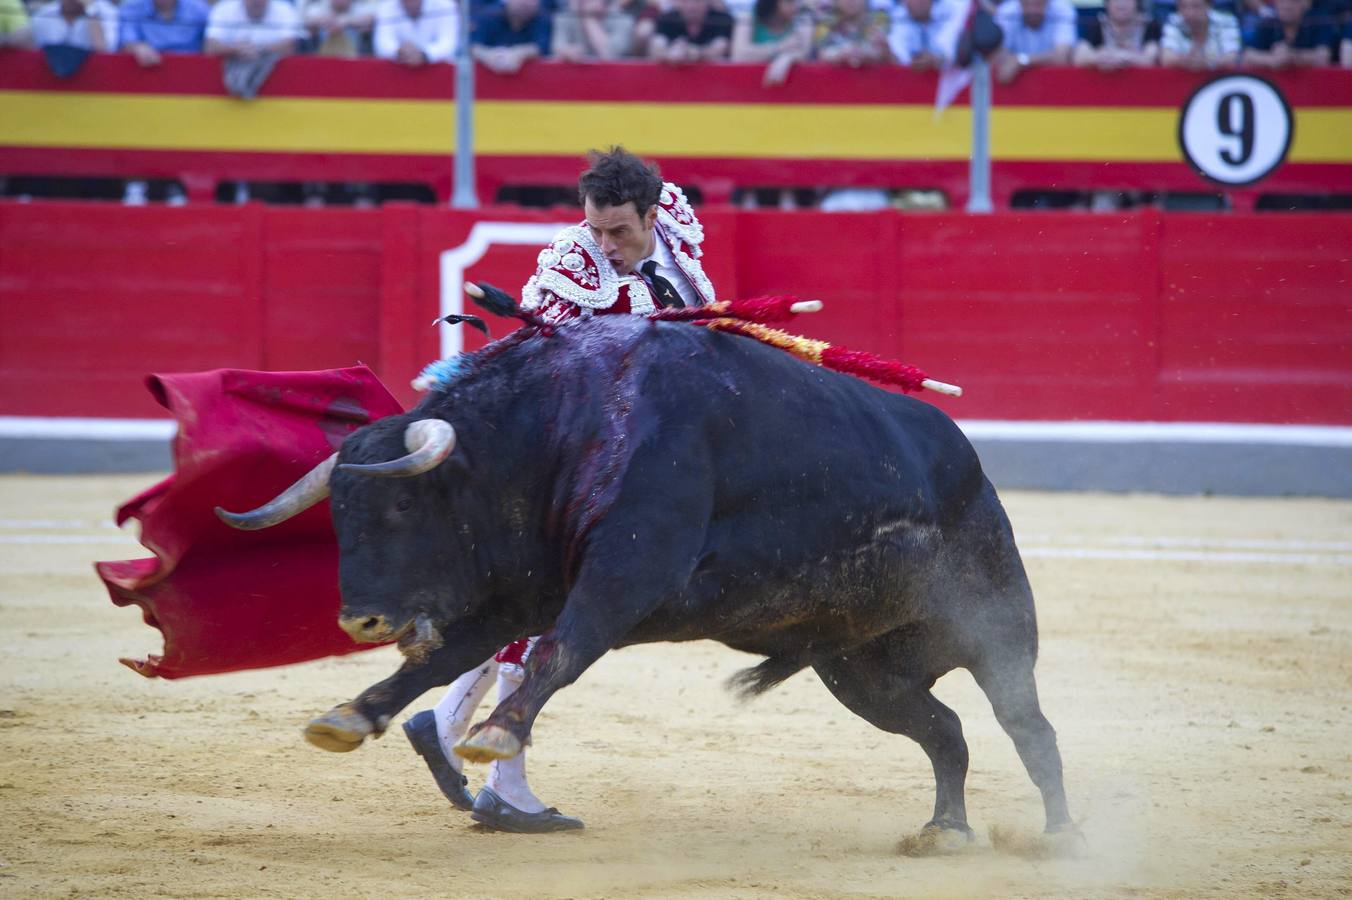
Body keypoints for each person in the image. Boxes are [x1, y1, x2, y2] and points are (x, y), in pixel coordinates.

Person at [404, 148, 717, 833]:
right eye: (596, 230)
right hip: (571, 460)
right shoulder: (567, 267)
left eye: (620, 233)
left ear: (653, 213)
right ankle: (501, 778)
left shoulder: (679, 228)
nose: (605, 246)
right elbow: (551, 374)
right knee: (551, 606)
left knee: (542, 605)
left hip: (645, 451)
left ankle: (448, 718)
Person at [730, 0, 813, 85]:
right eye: (789, 2)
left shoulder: (802, 18)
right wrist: (779, 47)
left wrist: (787, 58)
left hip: (790, 86)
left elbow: (805, 53)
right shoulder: (747, 16)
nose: (795, 6)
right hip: (749, 84)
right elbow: (739, 55)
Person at [992, 0, 1077, 81]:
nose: (1032, 10)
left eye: (1037, 4)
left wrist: (1021, 60)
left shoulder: (1062, 9)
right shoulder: (1006, 12)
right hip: (1016, 86)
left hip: (1054, 82)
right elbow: (997, 56)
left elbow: (1061, 56)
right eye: (1027, 4)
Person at [1244, 0, 1334, 66]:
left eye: (1293, 1)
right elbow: (1249, 55)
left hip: (1312, 84)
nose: (1287, 6)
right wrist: (1271, 59)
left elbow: (1323, 56)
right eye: (1282, 1)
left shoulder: (1318, 22)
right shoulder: (1268, 24)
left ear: (1306, 4)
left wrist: (1292, 55)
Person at [1073, 0, 1162, 66]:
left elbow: (1149, 59)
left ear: (1137, 3)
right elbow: (1079, 57)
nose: (1121, 3)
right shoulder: (1097, 24)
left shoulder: (1150, 25)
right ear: (1107, 3)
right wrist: (1099, 57)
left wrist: (1122, 56)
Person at [119, 0, 209, 65]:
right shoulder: (131, 7)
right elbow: (127, 41)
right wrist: (137, 47)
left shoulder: (199, 9)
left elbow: (210, 44)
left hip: (191, 72)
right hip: (145, 71)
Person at [472, 0, 551, 73]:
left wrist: (519, 53)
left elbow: (542, 46)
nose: (525, 3)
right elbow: (472, 46)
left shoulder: (543, 19)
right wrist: (488, 55)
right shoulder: (488, 16)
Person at [373, 0, 457, 64]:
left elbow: (449, 43)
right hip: (398, 73)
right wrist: (400, 51)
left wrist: (424, 54)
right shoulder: (386, 6)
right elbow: (383, 44)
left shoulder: (445, 4)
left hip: (439, 74)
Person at [648, 0, 734, 62]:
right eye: (685, 1)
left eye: (697, 1)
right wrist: (670, 54)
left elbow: (720, 47)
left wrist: (697, 53)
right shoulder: (666, 18)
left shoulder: (722, 19)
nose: (692, 6)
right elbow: (657, 46)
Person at [1160, 0, 1240, 66]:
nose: (1189, 13)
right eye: (1183, 7)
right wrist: (1185, 60)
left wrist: (1208, 63)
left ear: (1209, 6)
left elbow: (1232, 58)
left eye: (1196, 6)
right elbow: (1166, 59)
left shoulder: (1226, 22)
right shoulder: (1173, 22)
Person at [551, 0, 638, 60]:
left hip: (614, 79)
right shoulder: (564, 18)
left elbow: (610, 55)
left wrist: (589, 18)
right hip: (573, 76)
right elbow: (557, 48)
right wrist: (567, 52)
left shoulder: (623, 20)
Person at [813, 0, 890, 66]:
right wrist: (840, 55)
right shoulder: (826, 21)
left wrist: (870, 54)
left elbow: (887, 54)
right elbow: (819, 54)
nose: (850, 1)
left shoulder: (880, 19)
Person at [888, 0, 959, 69]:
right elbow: (897, 52)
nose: (920, 2)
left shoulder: (950, 13)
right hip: (907, 75)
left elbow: (952, 50)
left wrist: (938, 59)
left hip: (943, 74)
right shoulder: (894, 21)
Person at [301, 0, 376, 56]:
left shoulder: (360, 6)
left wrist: (348, 21)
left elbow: (370, 19)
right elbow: (307, 20)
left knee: (362, 30)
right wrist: (325, 21)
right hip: (321, 58)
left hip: (355, 57)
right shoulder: (321, 5)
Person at [31, 0, 110, 51]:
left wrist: (91, 11)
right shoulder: (44, 14)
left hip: (93, 73)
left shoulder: (105, 12)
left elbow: (102, 51)